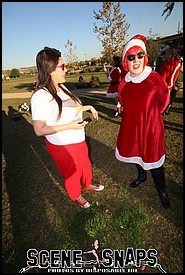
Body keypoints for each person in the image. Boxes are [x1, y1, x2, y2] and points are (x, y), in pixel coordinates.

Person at [30, 46, 104, 209]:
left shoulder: (61, 86)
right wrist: (70, 126)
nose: (66, 69)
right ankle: (76, 195)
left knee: (85, 164)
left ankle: (88, 183)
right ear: (50, 70)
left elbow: (68, 107)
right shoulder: (40, 97)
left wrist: (87, 107)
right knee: (72, 172)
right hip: (62, 145)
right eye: (62, 66)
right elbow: (39, 130)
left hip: (78, 138)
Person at [115, 34, 171, 208]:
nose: (136, 60)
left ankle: (161, 190)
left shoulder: (154, 78)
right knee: (136, 155)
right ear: (126, 61)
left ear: (145, 57)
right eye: (131, 57)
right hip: (132, 128)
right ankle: (141, 176)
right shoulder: (124, 83)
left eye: (140, 55)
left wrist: (152, 116)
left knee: (154, 161)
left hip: (151, 128)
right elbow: (124, 101)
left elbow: (164, 100)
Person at [158, 45, 183, 115]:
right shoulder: (165, 61)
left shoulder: (176, 63)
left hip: (168, 84)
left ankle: (165, 109)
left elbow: (173, 75)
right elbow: (161, 72)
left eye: (168, 51)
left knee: (169, 97)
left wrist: (169, 85)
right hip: (162, 82)